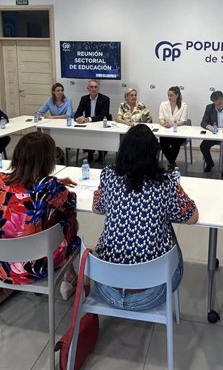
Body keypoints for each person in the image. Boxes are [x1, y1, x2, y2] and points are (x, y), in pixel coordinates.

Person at [92, 124, 198, 310]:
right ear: (154, 153)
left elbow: (97, 208)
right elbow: (192, 217)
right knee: (168, 232)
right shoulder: (165, 183)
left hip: (106, 287)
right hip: (151, 293)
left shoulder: (108, 175)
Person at [0, 132, 79, 293]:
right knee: (66, 220)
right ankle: (69, 275)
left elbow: (23, 191)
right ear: (48, 160)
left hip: (1, 262)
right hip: (34, 266)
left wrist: (55, 183)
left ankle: (68, 274)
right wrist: (59, 187)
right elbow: (70, 205)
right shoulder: (49, 187)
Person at [74, 79, 111, 163]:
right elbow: (77, 114)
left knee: (100, 141)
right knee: (85, 138)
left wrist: (88, 119)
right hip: (88, 126)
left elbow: (104, 116)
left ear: (98, 88)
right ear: (88, 88)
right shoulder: (84, 99)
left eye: (95, 87)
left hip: (100, 126)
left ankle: (101, 155)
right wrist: (79, 119)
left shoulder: (105, 99)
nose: (93, 89)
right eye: (91, 87)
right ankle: (88, 154)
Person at [158, 86, 189, 169]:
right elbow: (160, 118)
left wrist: (171, 124)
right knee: (163, 143)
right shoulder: (163, 104)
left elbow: (182, 121)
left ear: (177, 95)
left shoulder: (183, 105)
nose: (169, 97)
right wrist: (164, 123)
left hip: (179, 132)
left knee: (176, 143)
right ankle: (172, 162)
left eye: (171, 95)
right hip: (166, 132)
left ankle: (171, 163)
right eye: (168, 95)